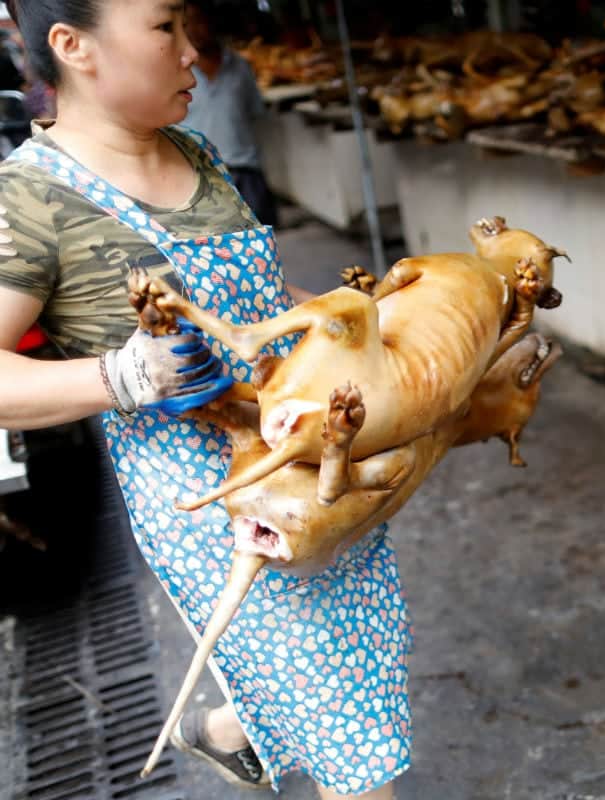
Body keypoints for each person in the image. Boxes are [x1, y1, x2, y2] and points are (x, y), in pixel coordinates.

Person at [0, 1, 412, 798]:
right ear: (72, 45)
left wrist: (361, 320)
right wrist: (124, 376)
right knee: (350, 725)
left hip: (313, 455)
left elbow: (261, 299)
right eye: (165, 29)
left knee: (365, 660)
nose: (194, 51)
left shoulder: (195, 149)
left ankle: (226, 728)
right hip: (226, 505)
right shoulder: (30, 199)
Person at [181, 0, 278, 226]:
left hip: (246, 173)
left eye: (199, 21)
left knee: (261, 245)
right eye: (187, 23)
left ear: (213, 23)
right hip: (201, 177)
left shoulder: (240, 66)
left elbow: (255, 114)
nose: (194, 29)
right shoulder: (178, 74)